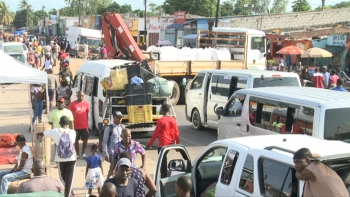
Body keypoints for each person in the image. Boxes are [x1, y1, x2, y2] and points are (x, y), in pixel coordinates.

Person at [37, 116, 77, 197]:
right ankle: (69, 193)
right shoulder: (73, 132)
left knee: (62, 178)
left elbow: (42, 133)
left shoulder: (55, 131)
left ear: (59, 123)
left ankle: (68, 194)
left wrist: (39, 136)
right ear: (68, 124)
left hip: (60, 158)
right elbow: (72, 142)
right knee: (69, 179)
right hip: (71, 158)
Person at [147, 103, 180, 178]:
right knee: (164, 159)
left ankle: (164, 176)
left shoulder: (161, 120)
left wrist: (149, 144)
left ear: (163, 110)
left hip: (162, 144)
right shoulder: (173, 120)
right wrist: (177, 144)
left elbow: (156, 133)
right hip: (170, 143)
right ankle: (165, 174)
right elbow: (176, 132)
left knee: (162, 161)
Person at [102, 111, 125, 179]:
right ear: (114, 118)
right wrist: (106, 154)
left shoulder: (122, 127)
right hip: (112, 153)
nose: (120, 119)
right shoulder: (109, 128)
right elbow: (105, 141)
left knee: (120, 168)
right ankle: (107, 184)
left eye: (121, 118)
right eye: (118, 118)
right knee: (113, 168)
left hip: (121, 152)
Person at [69, 91, 90, 159]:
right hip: (75, 126)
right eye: (79, 96)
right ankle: (77, 153)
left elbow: (87, 114)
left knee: (85, 139)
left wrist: (87, 126)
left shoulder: (86, 104)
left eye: (82, 96)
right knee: (76, 140)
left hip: (84, 126)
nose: (80, 97)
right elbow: (70, 115)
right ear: (77, 95)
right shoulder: (72, 104)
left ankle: (83, 153)